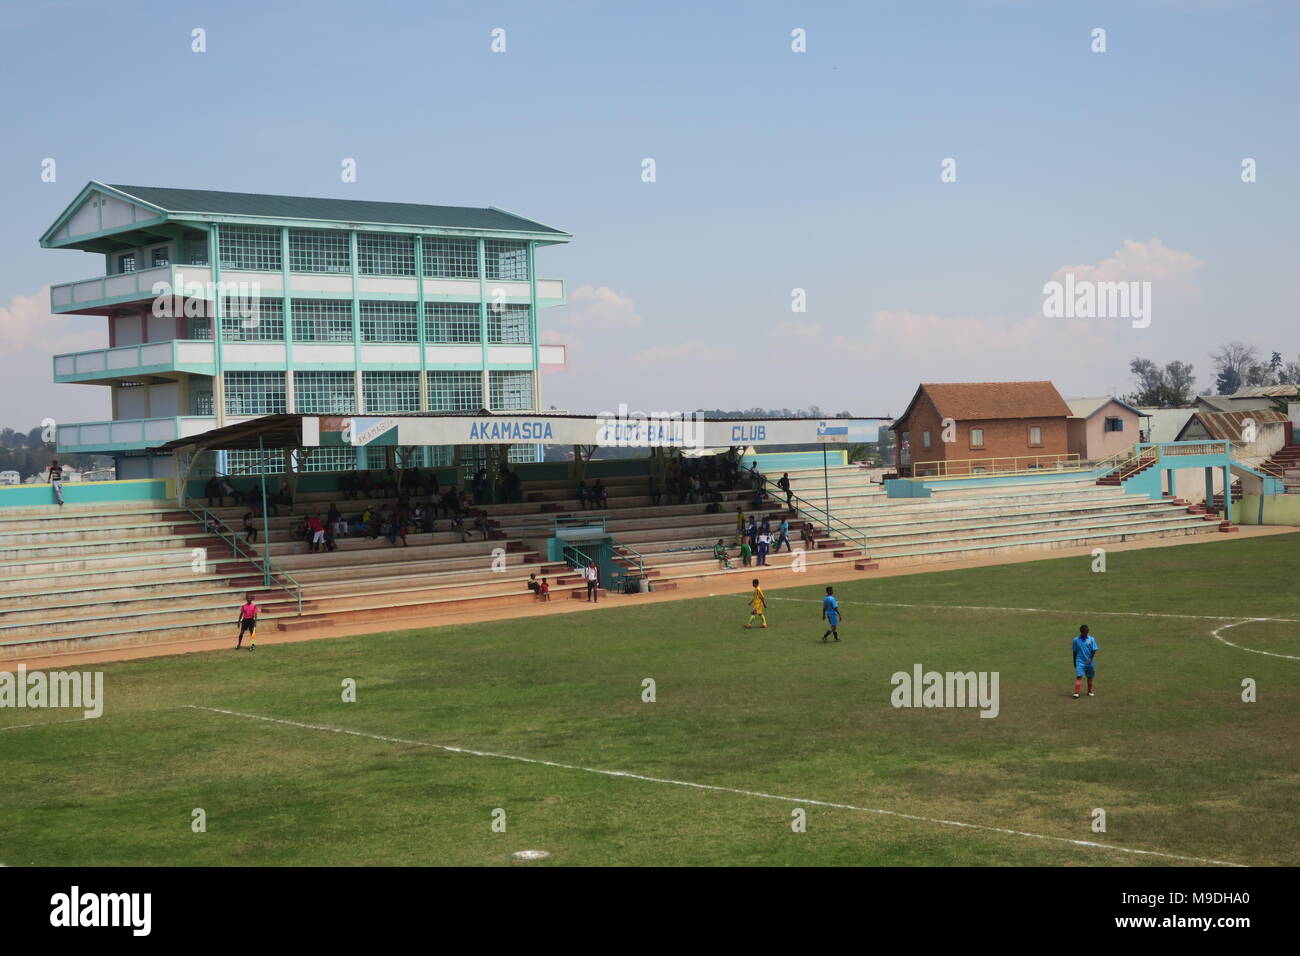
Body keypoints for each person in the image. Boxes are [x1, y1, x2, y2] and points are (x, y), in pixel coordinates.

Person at [1072, 625, 1099, 699]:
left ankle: (1089, 691)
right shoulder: (1076, 640)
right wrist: (1074, 661)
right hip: (1079, 662)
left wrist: (1090, 659)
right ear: (1081, 632)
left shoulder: (1092, 639)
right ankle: (1076, 693)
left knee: (1090, 677)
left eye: (1087, 632)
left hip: (1089, 662)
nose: (1086, 633)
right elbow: (1074, 652)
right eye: (1084, 632)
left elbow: (1094, 650)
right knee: (1079, 676)